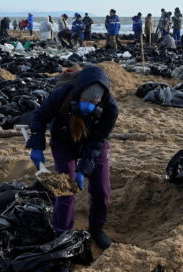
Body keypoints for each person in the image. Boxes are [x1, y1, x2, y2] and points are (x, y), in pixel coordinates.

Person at [27, 66, 119, 250]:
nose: (88, 105)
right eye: (85, 100)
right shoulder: (63, 95)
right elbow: (39, 116)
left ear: (100, 102)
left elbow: (98, 139)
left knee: (102, 190)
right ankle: (62, 234)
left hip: (92, 143)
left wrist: (85, 166)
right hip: (63, 141)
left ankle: (96, 229)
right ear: (79, 94)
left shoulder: (110, 108)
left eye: (93, 102)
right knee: (66, 189)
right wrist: (37, 145)